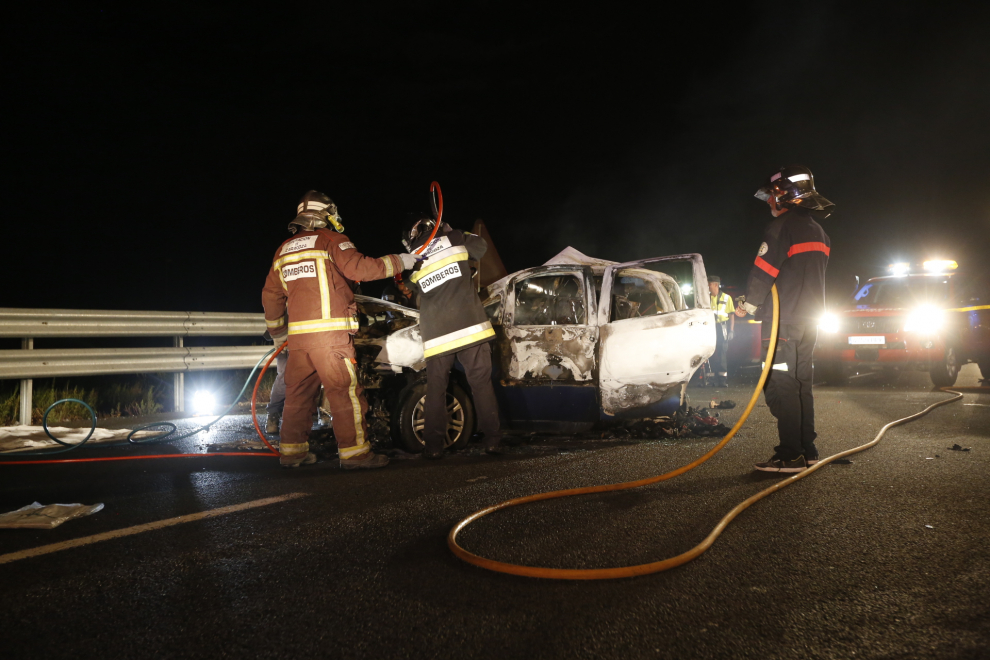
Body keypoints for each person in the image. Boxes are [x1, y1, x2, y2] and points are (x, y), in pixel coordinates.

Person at [262, 190, 418, 468]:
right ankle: (355, 454)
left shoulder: (283, 250)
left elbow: (271, 295)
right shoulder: (332, 240)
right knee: (344, 393)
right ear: (325, 214)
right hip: (330, 339)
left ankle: (292, 453)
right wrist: (399, 261)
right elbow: (359, 268)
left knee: (297, 396)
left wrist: (278, 335)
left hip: (299, 342)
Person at [735, 165, 832, 473]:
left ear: (783, 196)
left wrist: (746, 306)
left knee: (781, 384)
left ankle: (789, 454)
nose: (768, 203)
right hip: (809, 321)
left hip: (783, 322)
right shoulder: (819, 231)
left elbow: (764, 271)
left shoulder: (781, 228)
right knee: (803, 383)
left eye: (771, 197)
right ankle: (808, 449)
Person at [403, 212, 503, 459]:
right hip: (470, 327)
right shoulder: (453, 237)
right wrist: (458, 232)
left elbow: (414, 288)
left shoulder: (414, 257)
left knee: (436, 388)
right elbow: (481, 248)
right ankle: (492, 441)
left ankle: (434, 447)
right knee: (480, 384)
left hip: (437, 334)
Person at [707, 276, 735, 387]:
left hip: (722, 328)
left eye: (709, 284)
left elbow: (731, 315)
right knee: (710, 352)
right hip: (710, 328)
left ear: (715, 284)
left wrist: (731, 330)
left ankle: (722, 379)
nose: (707, 287)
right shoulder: (706, 298)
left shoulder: (727, 298)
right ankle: (710, 378)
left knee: (722, 353)